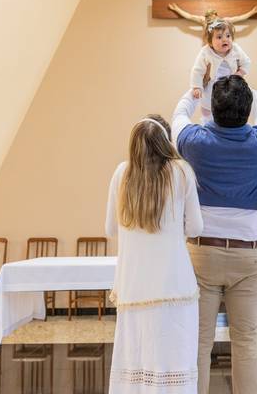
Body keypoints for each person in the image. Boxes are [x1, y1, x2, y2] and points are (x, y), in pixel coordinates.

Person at [172, 76, 257, 394]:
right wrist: (248, 86)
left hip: (202, 255)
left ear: (213, 109)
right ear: (246, 109)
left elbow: (178, 116)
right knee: (246, 342)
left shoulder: (195, 142)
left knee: (199, 342)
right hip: (248, 256)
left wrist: (196, 91)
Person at [105, 114, 204, 393]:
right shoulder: (181, 172)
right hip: (174, 286)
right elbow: (196, 227)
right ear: (166, 142)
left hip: (133, 288)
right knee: (175, 359)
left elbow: (110, 228)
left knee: (136, 362)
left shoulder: (121, 173)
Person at [190, 19, 252, 123]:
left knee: (231, 105)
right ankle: (207, 123)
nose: (225, 40)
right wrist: (197, 87)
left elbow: (246, 62)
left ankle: (229, 124)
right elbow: (197, 70)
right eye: (219, 37)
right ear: (210, 42)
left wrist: (240, 73)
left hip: (230, 85)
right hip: (212, 85)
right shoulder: (206, 52)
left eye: (228, 36)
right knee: (208, 107)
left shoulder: (235, 49)